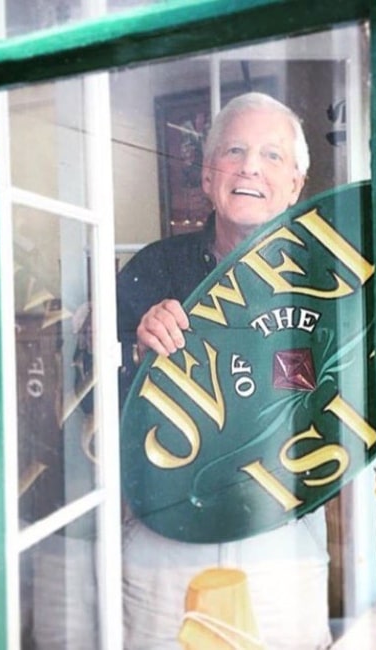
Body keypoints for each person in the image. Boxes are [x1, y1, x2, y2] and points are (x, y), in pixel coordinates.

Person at [117, 92, 332, 649]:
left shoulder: (331, 278)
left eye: (272, 155)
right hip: (166, 532)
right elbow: (90, 410)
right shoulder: (152, 270)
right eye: (233, 151)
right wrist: (140, 356)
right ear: (208, 178)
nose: (250, 167)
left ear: (296, 184)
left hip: (281, 530)